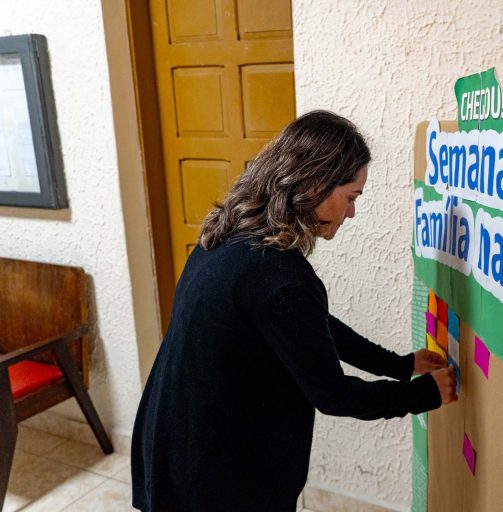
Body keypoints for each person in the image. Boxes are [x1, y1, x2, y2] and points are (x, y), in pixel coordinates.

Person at [131, 110, 458, 511]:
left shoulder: (230, 235)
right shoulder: (279, 277)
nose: (352, 212)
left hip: (176, 438)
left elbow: (308, 326)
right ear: (316, 183)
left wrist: (398, 364)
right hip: (214, 471)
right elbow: (334, 395)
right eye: (351, 197)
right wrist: (424, 394)